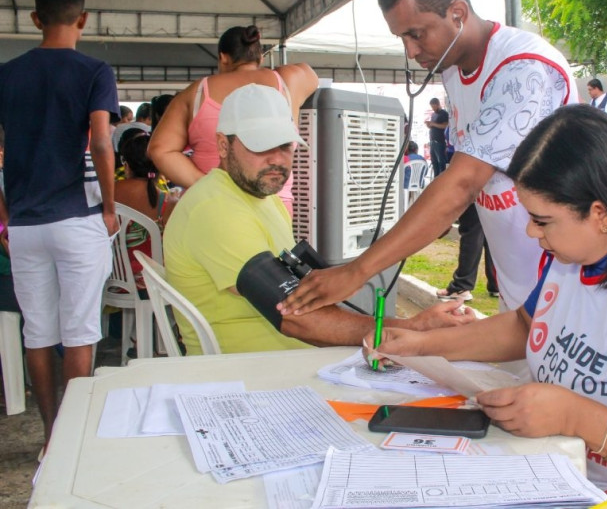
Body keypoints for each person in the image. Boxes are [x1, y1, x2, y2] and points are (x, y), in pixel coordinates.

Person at [366, 105, 607, 507]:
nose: (529, 230)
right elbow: (525, 326)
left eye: (542, 220)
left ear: (601, 214)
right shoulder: (575, 255)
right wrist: (420, 345)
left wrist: (577, 417)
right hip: (564, 470)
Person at [281, 0, 579, 317]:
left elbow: (463, 183)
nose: (409, 51)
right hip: (519, 288)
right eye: (402, 38)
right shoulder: (454, 70)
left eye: (417, 34)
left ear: (457, 13)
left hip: (563, 286)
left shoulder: (524, 70)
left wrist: (356, 272)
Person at [164, 84, 475, 355]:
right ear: (223, 144)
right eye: (260, 146)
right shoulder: (217, 209)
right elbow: (295, 317)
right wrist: (413, 328)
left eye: (285, 146)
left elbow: (302, 296)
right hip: (255, 376)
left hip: (294, 361)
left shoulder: (262, 197)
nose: (277, 160)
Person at [0, 0, 118, 450]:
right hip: (77, 218)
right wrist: (109, 206)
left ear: (35, 18)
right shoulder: (94, 71)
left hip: (25, 226)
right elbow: (102, 142)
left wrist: (5, 217)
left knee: (38, 332)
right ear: (83, 19)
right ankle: (72, 443)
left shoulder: (6, 74)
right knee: (80, 332)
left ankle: (51, 435)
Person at [148, 25, 317, 191]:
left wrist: (208, 186)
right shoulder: (289, 81)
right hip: (273, 207)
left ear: (223, 57)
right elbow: (310, 74)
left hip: (213, 204)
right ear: (260, 57)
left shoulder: (196, 93)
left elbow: (159, 150)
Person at [115, 133, 179, 287]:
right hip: (154, 283)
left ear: (127, 165)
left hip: (114, 278)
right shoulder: (167, 202)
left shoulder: (109, 192)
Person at [436, 203, 498, 301]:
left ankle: (462, 287)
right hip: (495, 194)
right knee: (491, 233)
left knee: (472, 232)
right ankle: (497, 285)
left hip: (476, 194)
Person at [424, 97, 449, 176]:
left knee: (441, 163)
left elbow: (445, 125)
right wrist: (429, 125)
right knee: (434, 163)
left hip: (439, 142)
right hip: (432, 141)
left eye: (434, 106)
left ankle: (442, 181)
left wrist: (433, 124)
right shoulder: (433, 114)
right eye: (431, 107)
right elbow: (434, 126)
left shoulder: (444, 113)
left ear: (438, 104)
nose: (433, 108)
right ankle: (436, 179)